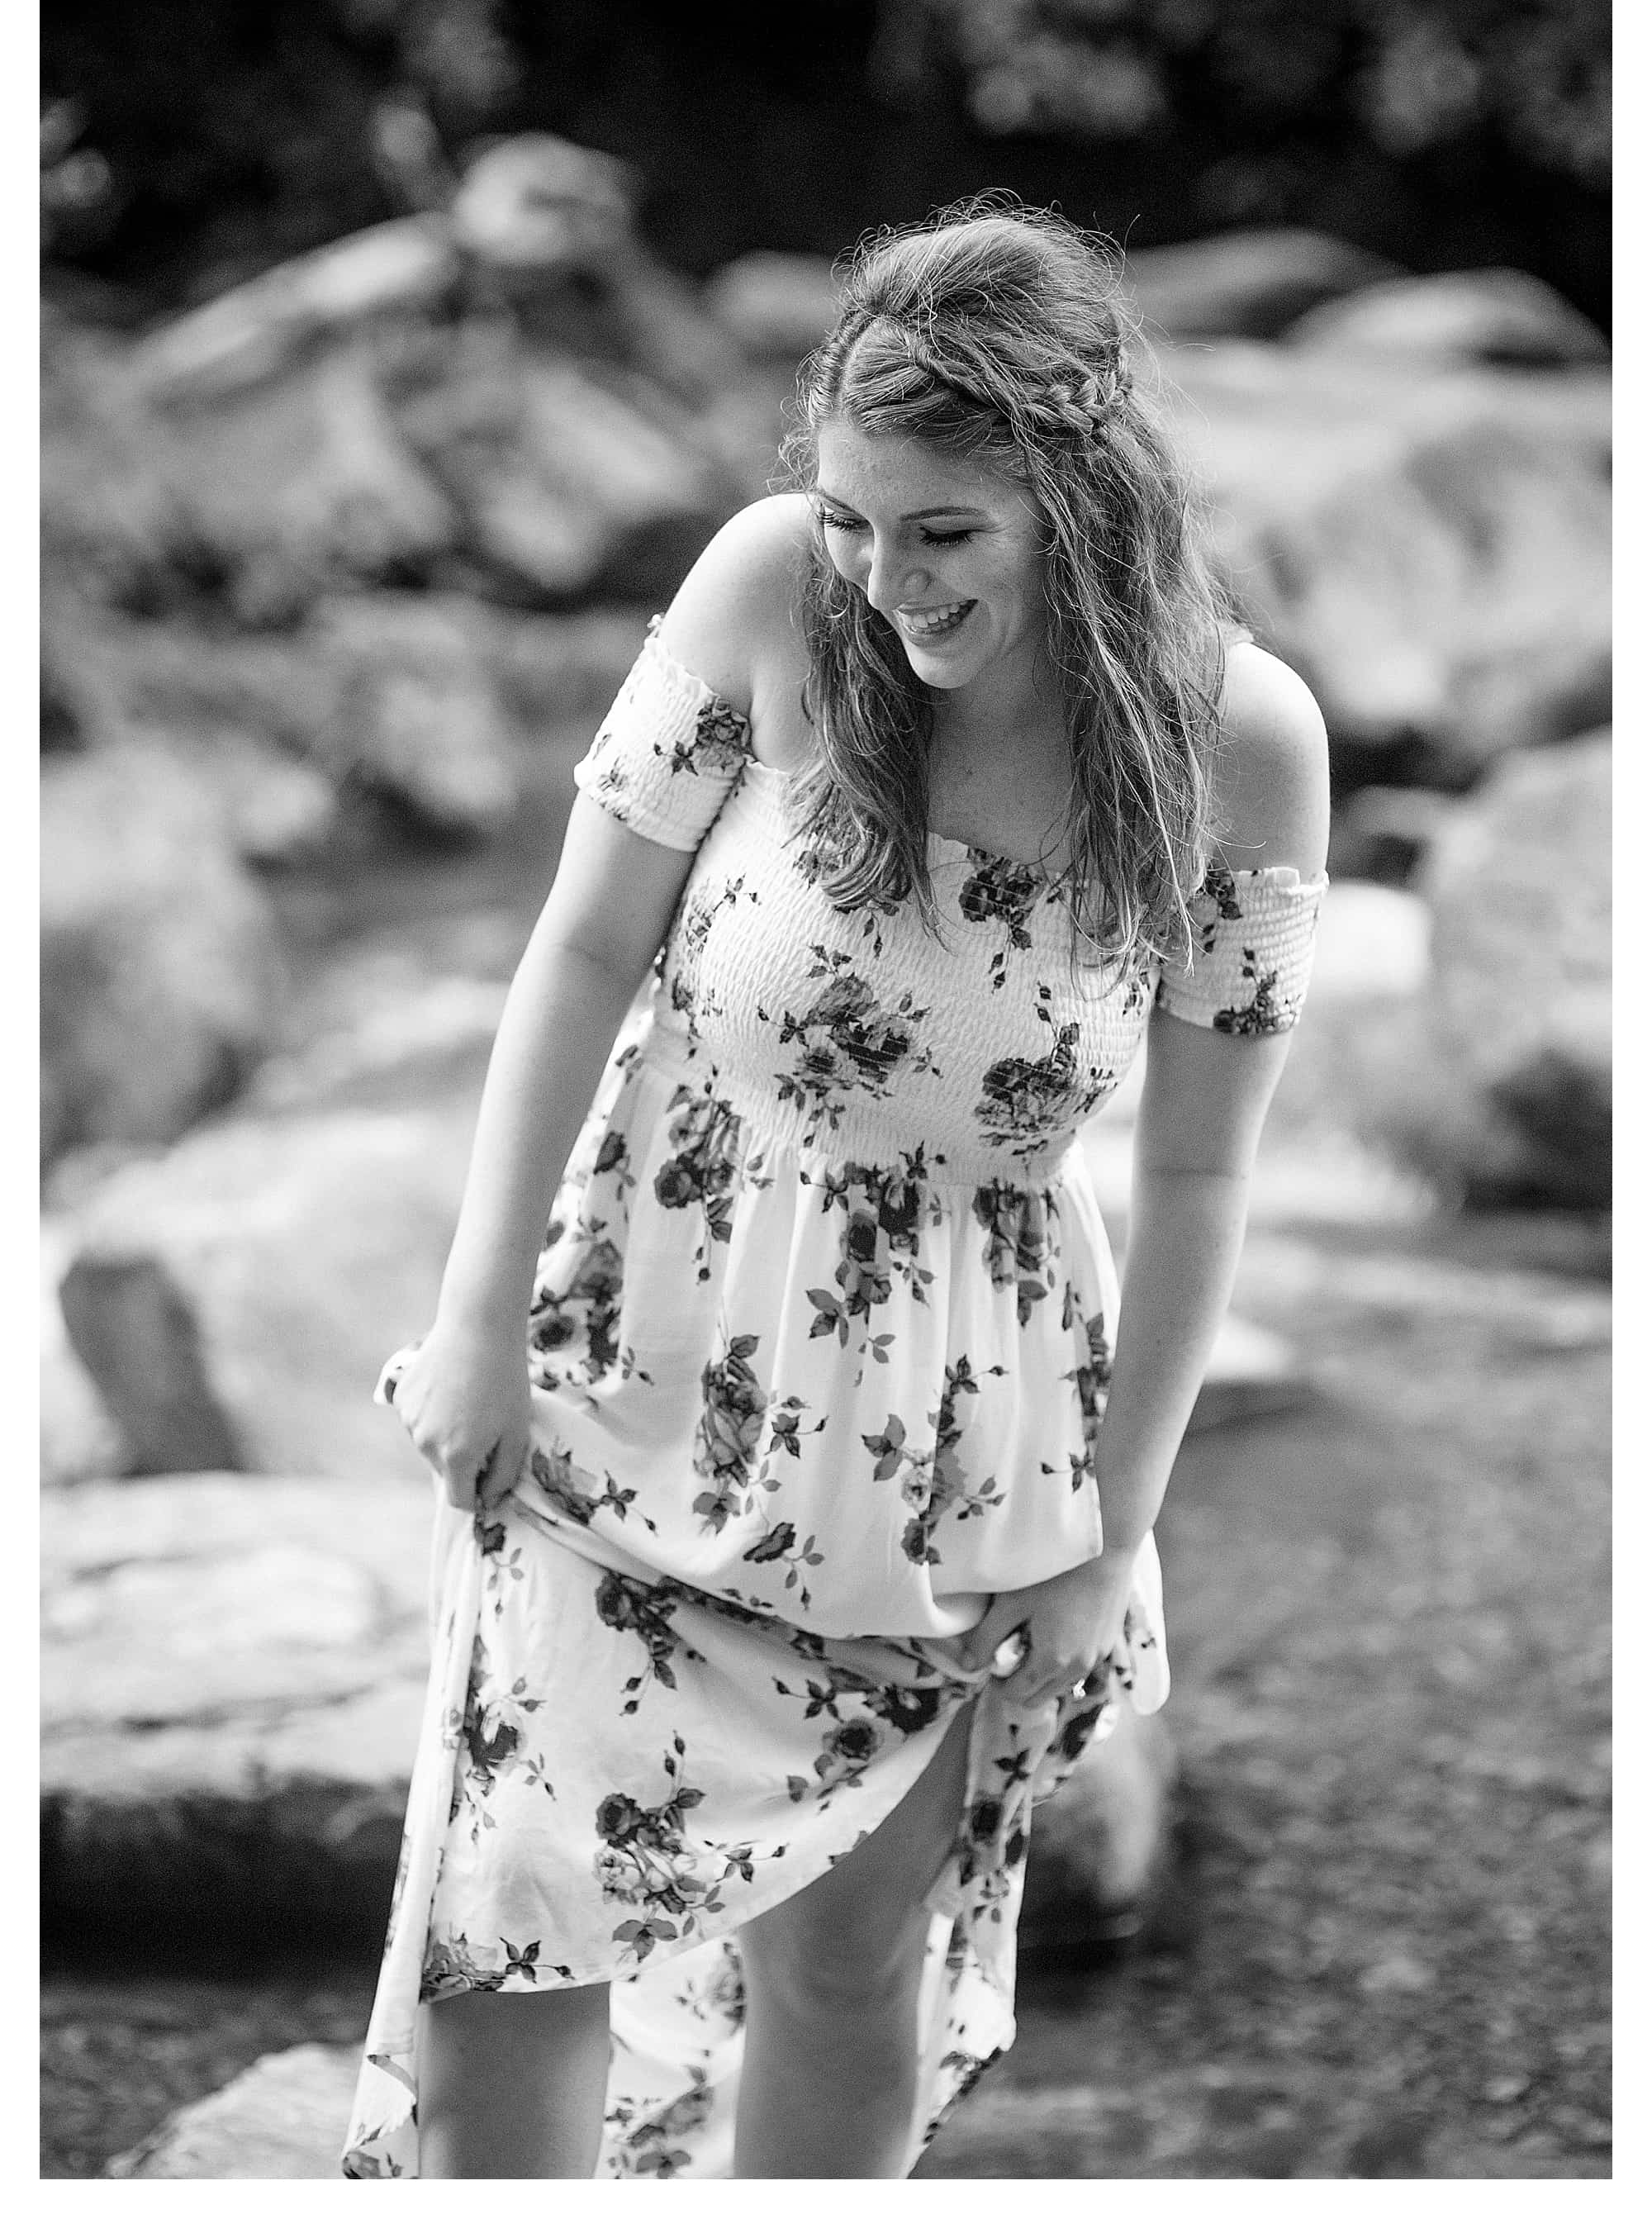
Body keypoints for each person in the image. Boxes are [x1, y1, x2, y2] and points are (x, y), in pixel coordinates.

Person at [344, 204, 1329, 2183]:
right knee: (512, 1932)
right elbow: (573, 949)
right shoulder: (768, 590)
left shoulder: (1239, 739)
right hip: (624, 1353)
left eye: (943, 530)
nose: (886, 580)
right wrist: (471, 1319)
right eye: (858, 516)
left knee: (845, 1971)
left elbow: (1201, 1159)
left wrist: (1101, 1529)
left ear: (1077, 488)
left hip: (947, 1450)